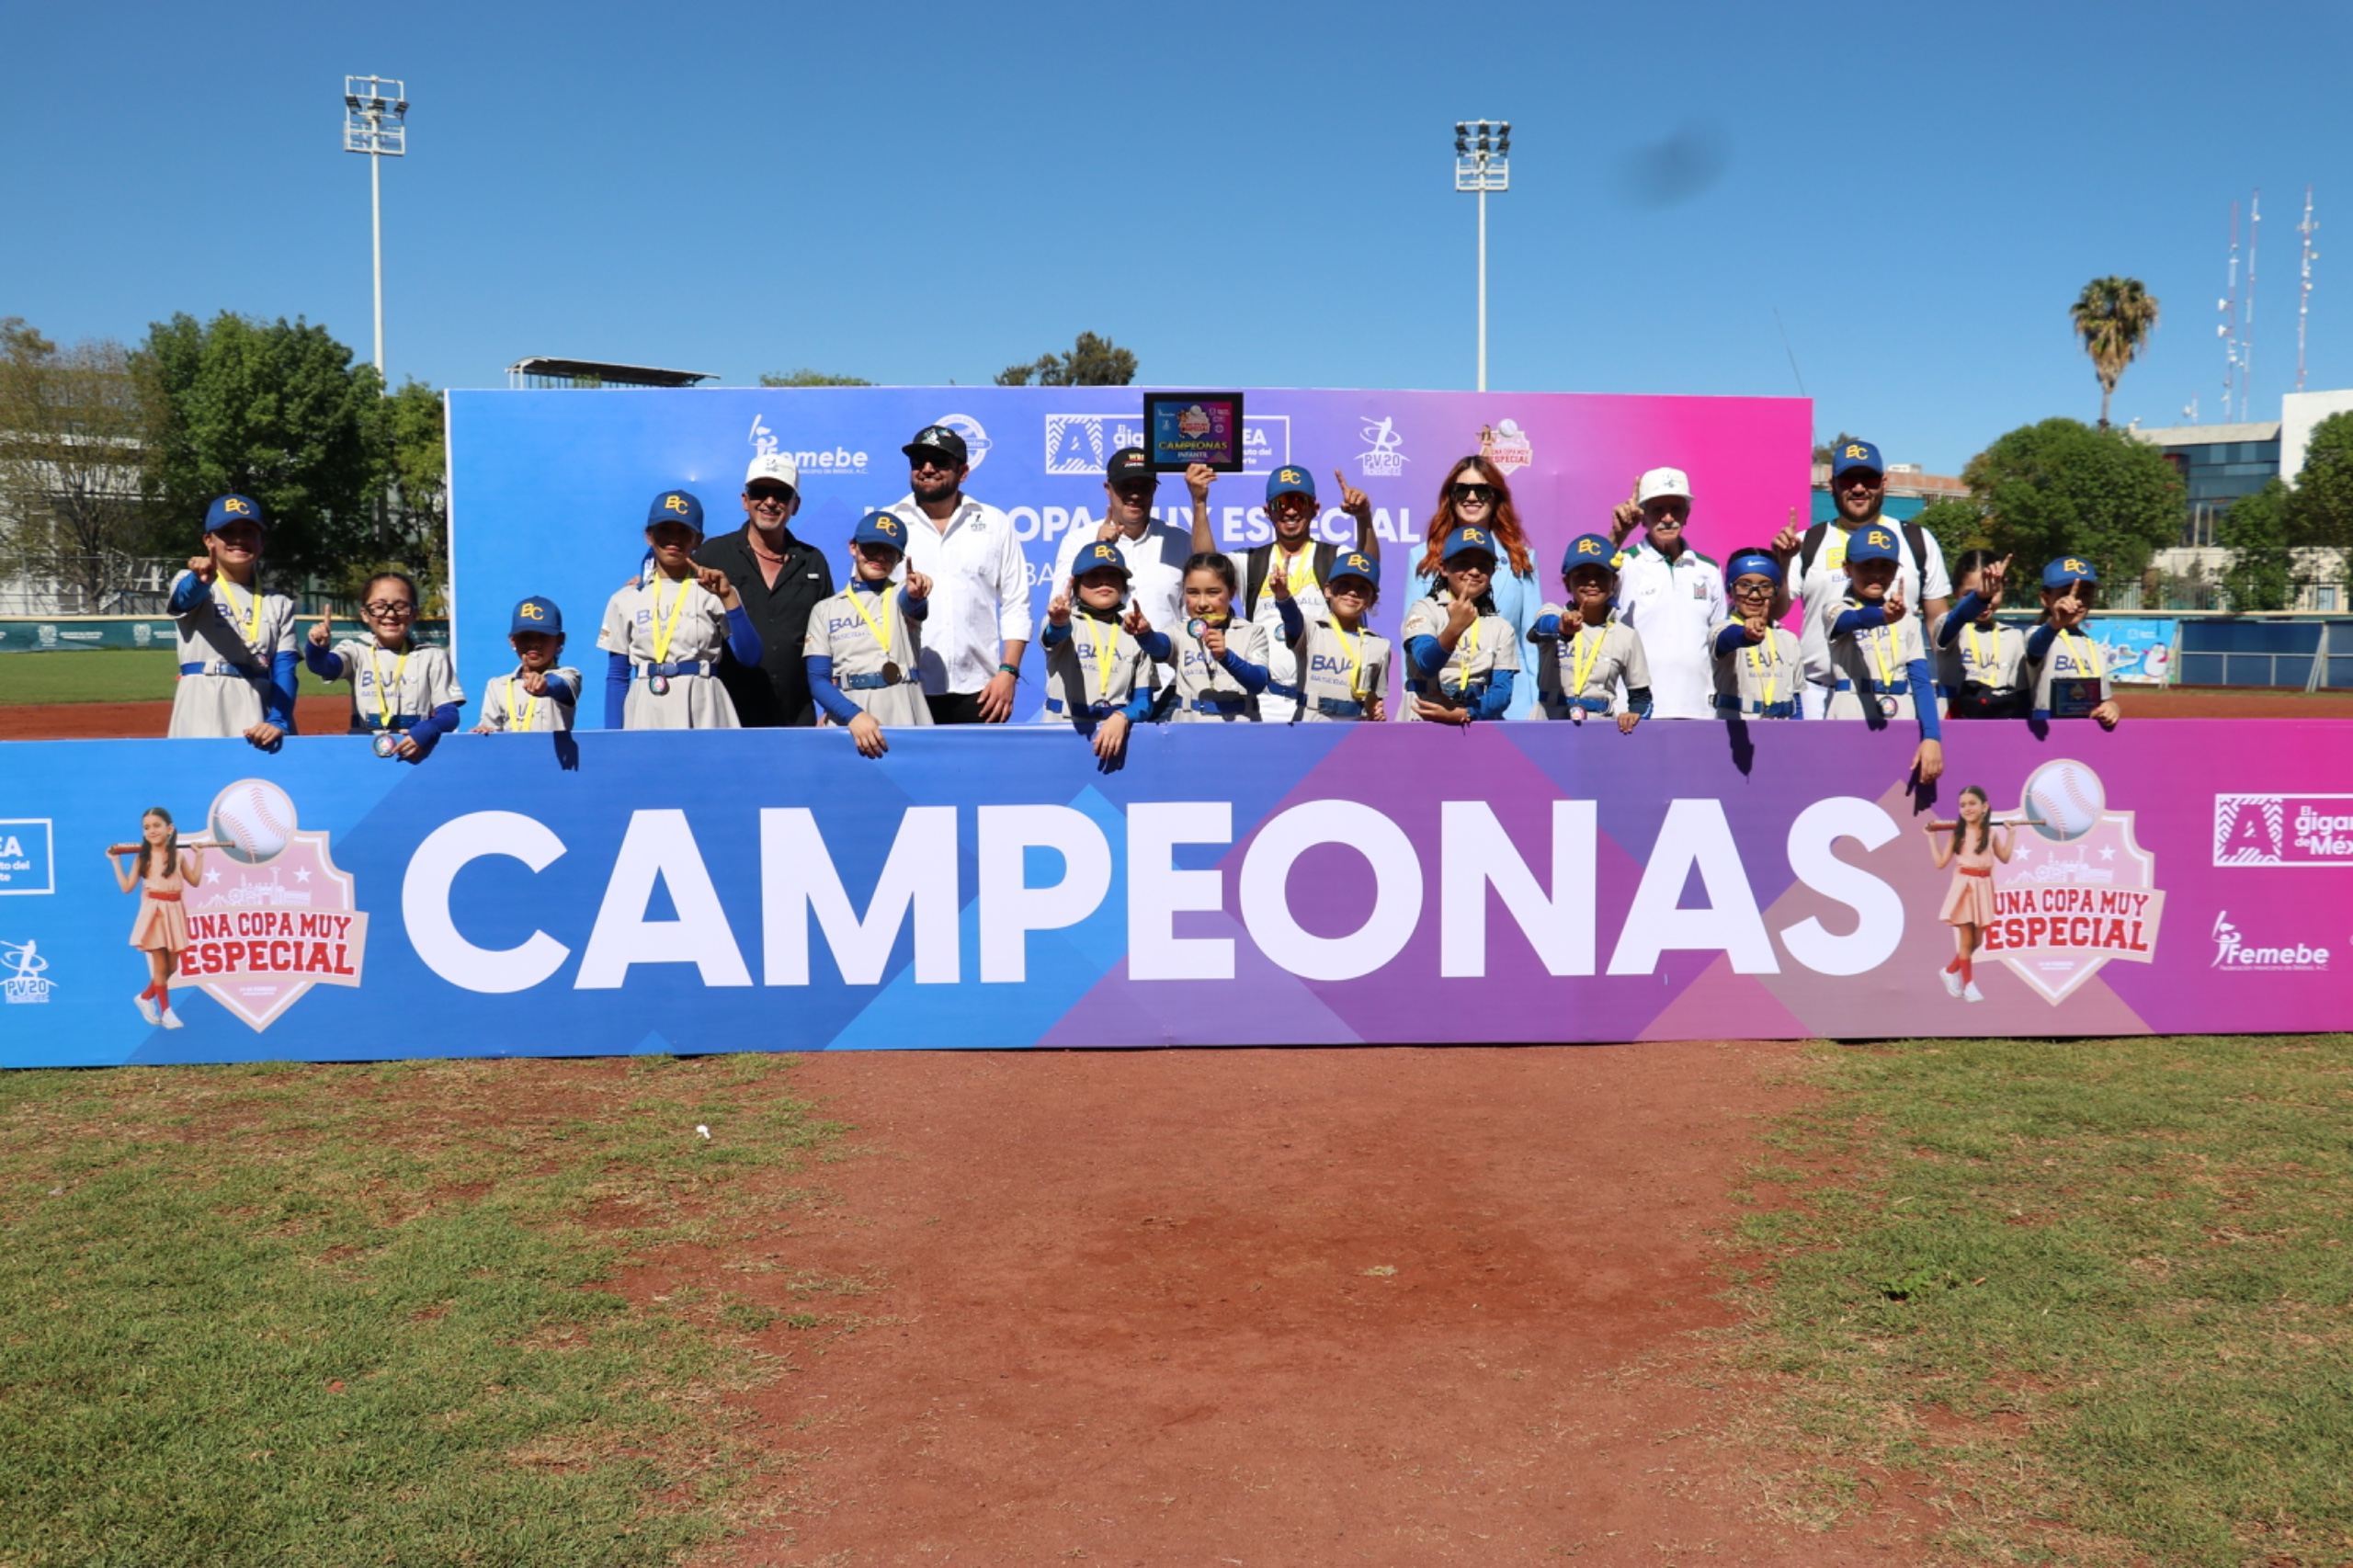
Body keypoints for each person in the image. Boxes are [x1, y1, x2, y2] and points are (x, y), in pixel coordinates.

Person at [1187, 462, 1378, 724]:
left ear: (1315, 509)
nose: (1290, 510)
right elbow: (1205, 565)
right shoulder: (1252, 560)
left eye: (1299, 501)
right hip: (1265, 700)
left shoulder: (1333, 557)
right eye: (1280, 504)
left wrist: (1364, 518)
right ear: (1267, 512)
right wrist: (1199, 502)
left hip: (1319, 701)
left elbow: (1367, 569)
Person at [1773, 438, 1950, 719]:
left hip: (1895, 694)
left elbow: (1938, 623)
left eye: (1867, 478)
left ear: (1884, 482)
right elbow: (1777, 611)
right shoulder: (1808, 542)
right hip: (1818, 692)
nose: (1858, 488)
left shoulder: (1917, 540)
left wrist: (1947, 691)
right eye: (1848, 480)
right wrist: (1782, 563)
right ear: (1832, 485)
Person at [886, 424, 1029, 724]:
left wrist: (1009, 673)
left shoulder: (994, 522)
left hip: (981, 691)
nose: (926, 469)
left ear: (963, 472)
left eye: (939, 462)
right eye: (918, 462)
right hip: (905, 687)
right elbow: (865, 604)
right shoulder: (887, 523)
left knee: (979, 773)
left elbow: (1016, 604)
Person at [599, 490, 764, 729]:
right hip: (646, 704)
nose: (673, 539)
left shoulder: (715, 592)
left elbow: (751, 658)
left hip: (704, 702)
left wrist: (728, 597)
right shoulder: (624, 599)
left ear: (698, 540)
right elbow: (617, 676)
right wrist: (612, 739)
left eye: (684, 531)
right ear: (649, 536)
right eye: (664, 529)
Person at [695, 452, 835, 727]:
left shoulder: (813, 560)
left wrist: (833, 705)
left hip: (797, 717)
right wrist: (645, 582)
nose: (770, 502)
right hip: (727, 715)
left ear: (796, 505)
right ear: (745, 500)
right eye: (760, 492)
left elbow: (833, 639)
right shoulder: (713, 554)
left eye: (781, 493)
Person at [1410, 457, 1543, 718]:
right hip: (1438, 701)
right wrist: (1417, 699)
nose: (1472, 497)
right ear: (1450, 496)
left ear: (1496, 498)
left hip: (1509, 702)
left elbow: (1531, 641)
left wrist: (1536, 707)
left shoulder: (1522, 558)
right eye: (1462, 489)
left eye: (1482, 490)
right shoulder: (1422, 557)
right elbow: (1414, 646)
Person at [165, 494, 299, 749]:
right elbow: (184, 599)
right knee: (197, 783)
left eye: (248, 531)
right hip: (202, 698)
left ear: (262, 542)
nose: (239, 539)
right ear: (208, 540)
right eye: (227, 531)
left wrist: (278, 719)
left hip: (258, 703)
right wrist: (200, 580)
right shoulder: (191, 580)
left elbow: (285, 669)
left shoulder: (279, 602)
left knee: (255, 784)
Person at [804, 512, 935, 758]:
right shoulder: (825, 609)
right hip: (851, 718)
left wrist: (916, 595)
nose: (879, 558)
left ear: (898, 560)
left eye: (889, 552)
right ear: (854, 548)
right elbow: (818, 679)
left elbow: (915, 606)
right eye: (872, 548)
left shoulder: (902, 594)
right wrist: (852, 715)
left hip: (904, 708)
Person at [1822, 525, 1943, 782]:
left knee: (1895, 797)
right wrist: (1882, 616)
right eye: (1866, 565)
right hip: (1851, 709)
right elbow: (1852, 620)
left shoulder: (1907, 619)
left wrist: (1932, 736)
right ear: (1847, 568)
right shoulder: (1836, 607)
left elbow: (1921, 682)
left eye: (1885, 566)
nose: (1876, 574)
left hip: (1901, 714)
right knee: (1848, 791)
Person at [1606, 467, 1725, 720]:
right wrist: (1618, 535)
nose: (1668, 518)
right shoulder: (1625, 562)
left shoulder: (1709, 570)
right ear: (1644, 517)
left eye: (1675, 509)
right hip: (1636, 712)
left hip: (1699, 709)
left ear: (1687, 515)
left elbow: (1718, 640)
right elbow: (1594, 580)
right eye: (1657, 509)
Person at [304, 572, 464, 761]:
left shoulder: (432, 657)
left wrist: (427, 729)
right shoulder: (357, 651)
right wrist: (317, 648)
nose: (390, 614)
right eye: (379, 607)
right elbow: (324, 667)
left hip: (414, 750)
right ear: (365, 614)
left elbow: (449, 714)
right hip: (363, 750)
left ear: (414, 614)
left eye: (401, 606)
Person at [1040, 540, 1165, 765]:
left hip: (1114, 741)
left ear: (1124, 586)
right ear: (1076, 584)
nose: (1104, 581)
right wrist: (1058, 623)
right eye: (1093, 575)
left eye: (1112, 575)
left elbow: (1144, 702)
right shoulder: (1067, 622)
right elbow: (1054, 635)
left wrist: (1123, 716)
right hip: (1061, 734)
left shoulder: (1136, 630)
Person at [1051, 448, 1195, 634]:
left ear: (1154, 489)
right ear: (1108, 489)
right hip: (1100, 659)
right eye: (1125, 486)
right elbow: (1060, 610)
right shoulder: (1078, 541)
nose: (1135, 495)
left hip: (1164, 660)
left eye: (1144, 486)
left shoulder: (1179, 540)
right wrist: (1098, 550)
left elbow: (1191, 615)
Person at [1530, 534, 1653, 731]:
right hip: (1548, 723)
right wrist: (1561, 627)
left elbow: (1641, 698)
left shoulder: (1626, 635)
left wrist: (1634, 716)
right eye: (1582, 575)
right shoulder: (1553, 613)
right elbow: (1540, 628)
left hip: (1601, 727)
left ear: (1614, 581)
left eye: (1601, 574)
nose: (1592, 582)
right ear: (1567, 582)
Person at [1398, 526, 1519, 724]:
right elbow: (1426, 665)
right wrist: (1455, 628)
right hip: (1422, 716)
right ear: (1444, 568)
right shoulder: (1424, 609)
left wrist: (1465, 713)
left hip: (1473, 720)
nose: (1474, 571)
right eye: (1463, 563)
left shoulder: (1501, 627)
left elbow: (1502, 693)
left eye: (1483, 565)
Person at [108, 806, 201, 1030]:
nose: (151, 830)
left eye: (157, 826)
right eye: (146, 827)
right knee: (160, 965)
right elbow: (127, 887)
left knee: (172, 967)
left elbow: (195, 881)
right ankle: (167, 1011)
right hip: (154, 913)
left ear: (170, 829)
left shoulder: (177, 855)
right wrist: (115, 861)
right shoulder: (143, 858)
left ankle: (145, 996)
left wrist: (200, 856)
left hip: (174, 910)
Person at [1153, 552, 1271, 723]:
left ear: (1231, 593)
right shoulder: (1179, 632)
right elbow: (1158, 646)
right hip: (1189, 731)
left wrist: (1226, 657)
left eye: (1212, 592)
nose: (1202, 603)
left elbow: (1258, 683)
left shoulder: (1252, 632)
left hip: (1240, 732)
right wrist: (1143, 634)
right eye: (1193, 593)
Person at [1275, 549, 1390, 722]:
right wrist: (1283, 597)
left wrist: (1376, 713)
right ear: (1328, 590)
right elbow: (1291, 618)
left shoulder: (1379, 646)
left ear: (1372, 600)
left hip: (1351, 737)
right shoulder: (1310, 629)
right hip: (1309, 727)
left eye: (1362, 589)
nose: (1352, 592)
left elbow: (1375, 700)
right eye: (1344, 585)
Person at [1925, 784, 2014, 1002]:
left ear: (1985, 807)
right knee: (1966, 941)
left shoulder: (1990, 834)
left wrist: (2011, 834)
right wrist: (1931, 838)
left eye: (1972, 803)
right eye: (1962, 805)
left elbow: (2005, 857)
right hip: (1964, 888)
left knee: (1977, 941)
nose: (1967, 808)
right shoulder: (1958, 834)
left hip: (1983, 887)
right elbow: (1940, 863)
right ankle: (1969, 984)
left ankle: (1949, 970)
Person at [2025, 557, 2123, 728]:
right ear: (2045, 599)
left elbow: (2103, 699)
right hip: (2046, 726)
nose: (2077, 601)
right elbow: (2036, 648)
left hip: (2085, 729)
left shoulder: (2093, 647)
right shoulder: (2038, 634)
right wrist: (2056, 623)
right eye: (2066, 594)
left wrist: (2111, 707)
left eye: (2084, 594)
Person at [1710, 549, 1804, 721]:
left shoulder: (1788, 639)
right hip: (1735, 730)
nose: (1754, 595)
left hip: (1781, 734)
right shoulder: (1720, 629)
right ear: (1730, 589)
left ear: (1775, 592)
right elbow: (1726, 640)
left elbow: (1796, 702)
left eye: (1764, 586)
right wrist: (1745, 634)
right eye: (1744, 585)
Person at [1934, 551, 2028, 720]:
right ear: (1955, 593)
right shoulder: (1950, 626)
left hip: (2000, 729)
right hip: (1954, 725)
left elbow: (2022, 696)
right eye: (1970, 594)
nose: (1986, 600)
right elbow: (1958, 617)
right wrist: (1979, 598)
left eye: (1993, 592)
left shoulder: (2014, 636)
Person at [473, 596, 581, 733]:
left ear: (560, 641)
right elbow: (490, 732)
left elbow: (561, 687)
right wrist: (483, 732)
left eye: (543, 636)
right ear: (513, 641)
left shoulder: (569, 674)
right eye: (526, 636)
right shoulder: (497, 686)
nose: (534, 643)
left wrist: (545, 685)